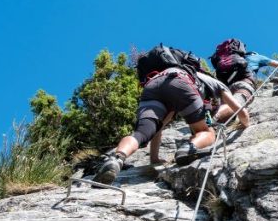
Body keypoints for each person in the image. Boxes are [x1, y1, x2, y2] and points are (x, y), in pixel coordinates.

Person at [93, 45, 243, 183]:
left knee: (141, 133)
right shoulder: (211, 80)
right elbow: (238, 108)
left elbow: (159, 127)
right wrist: (244, 122)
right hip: (180, 82)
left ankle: (117, 158)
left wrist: (154, 158)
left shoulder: (165, 72)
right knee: (206, 131)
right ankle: (187, 149)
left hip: (151, 85)